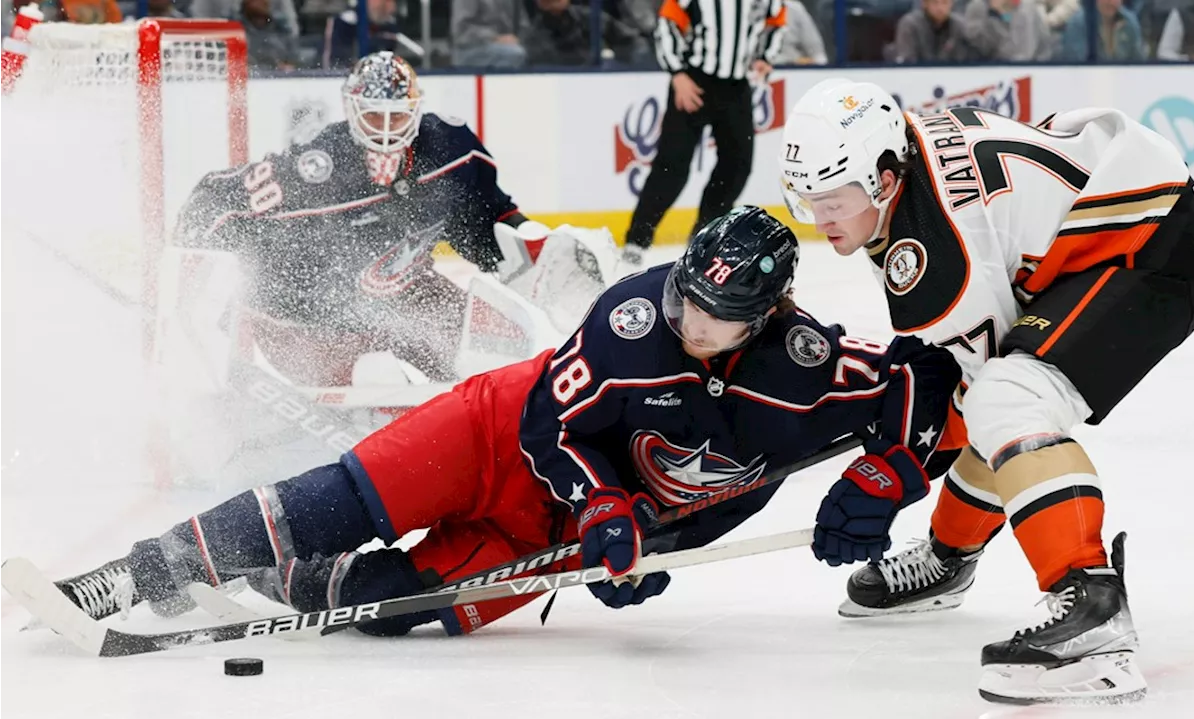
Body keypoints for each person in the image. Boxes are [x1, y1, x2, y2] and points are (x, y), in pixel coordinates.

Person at [50, 206, 960, 639]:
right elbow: (549, 427)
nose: (690, 323)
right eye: (687, 298)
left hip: (568, 534)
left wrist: (888, 477)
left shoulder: (811, 370)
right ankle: (141, 569)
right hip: (501, 437)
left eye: (716, 320)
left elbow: (937, 390)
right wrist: (608, 504)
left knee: (383, 607)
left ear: (768, 317)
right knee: (337, 499)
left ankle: (271, 581)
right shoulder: (635, 321)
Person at [778, 79, 1194, 704]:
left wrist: (893, 468)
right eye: (806, 201)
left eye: (834, 201)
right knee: (997, 393)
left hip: (1146, 250)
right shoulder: (899, 162)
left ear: (881, 180)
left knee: (1007, 397)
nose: (819, 220)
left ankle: (1090, 601)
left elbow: (972, 396)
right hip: (1112, 223)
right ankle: (951, 555)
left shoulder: (931, 251)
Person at [169, 51, 610, 390]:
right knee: (374, 383)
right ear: (350, 110)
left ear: (416, 111)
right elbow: (216, 197)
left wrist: (529, 248)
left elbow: (482, 217)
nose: (385, 129)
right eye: (373, 115)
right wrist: (178, 281)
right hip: (305, 318)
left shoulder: (451, 149)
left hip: (403, 291)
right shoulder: (314, 169)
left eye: (396, 115)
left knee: (497, 351)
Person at [620, 0, 788, 267]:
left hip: (735, 87)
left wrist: (765, 57)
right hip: (694, 80)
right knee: (671, 167)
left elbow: (777, 20)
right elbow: (667, 23)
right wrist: (677, 74)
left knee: (737, 166)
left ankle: (703, 238)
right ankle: (636, 240)